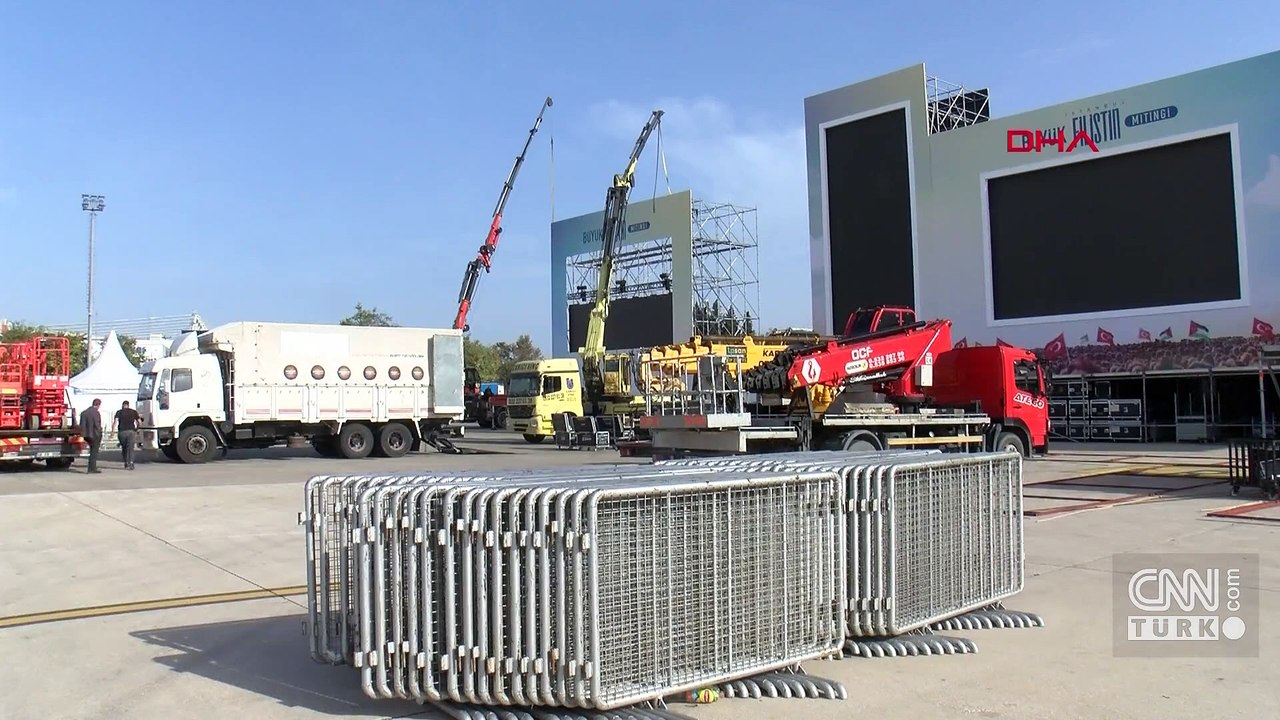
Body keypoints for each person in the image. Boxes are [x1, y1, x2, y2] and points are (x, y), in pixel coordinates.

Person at [112, 400, 141, 470]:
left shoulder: (119, 412)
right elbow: (139, 422)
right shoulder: (133, 412)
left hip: (121, 432)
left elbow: (115, 422)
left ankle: (126, 462)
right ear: (128, 405)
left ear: (123, 405)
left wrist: (112, 432)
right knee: (130, 448)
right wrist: (137, 429)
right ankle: (131, 462)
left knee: (124, 448)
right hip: (131, 432)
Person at [79, 398, 104, 474]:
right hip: (94, 435)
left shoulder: (84, 413)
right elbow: (97, 425)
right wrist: (100, 432)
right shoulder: (96, 413)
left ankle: (91, 467)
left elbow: (82, 425)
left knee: (92, 451)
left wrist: (83, 435)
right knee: (94, 452)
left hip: (86, 435)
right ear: (98, 405)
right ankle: (92, 468)